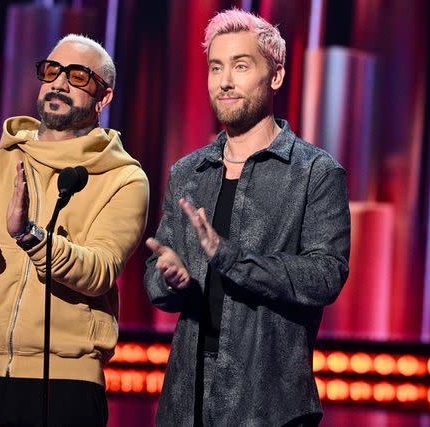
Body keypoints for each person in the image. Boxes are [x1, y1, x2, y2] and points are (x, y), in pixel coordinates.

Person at [0, 34, 149, 426]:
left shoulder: (124, 178)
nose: (59, 82)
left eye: (77, 76)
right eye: (51, 70)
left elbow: (98, 272)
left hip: (65, 382)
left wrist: (30, 236)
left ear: (104, 97)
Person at [143, 9, 350, 427]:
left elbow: (325, 275)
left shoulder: (314, 172)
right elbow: (153, 276)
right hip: (187, 399)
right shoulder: (188, 172)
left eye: (241, 65)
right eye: (216, 67)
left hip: (270, 404)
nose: (225, 81)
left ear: (275, 76)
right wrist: (168, 279)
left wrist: (230, 257)